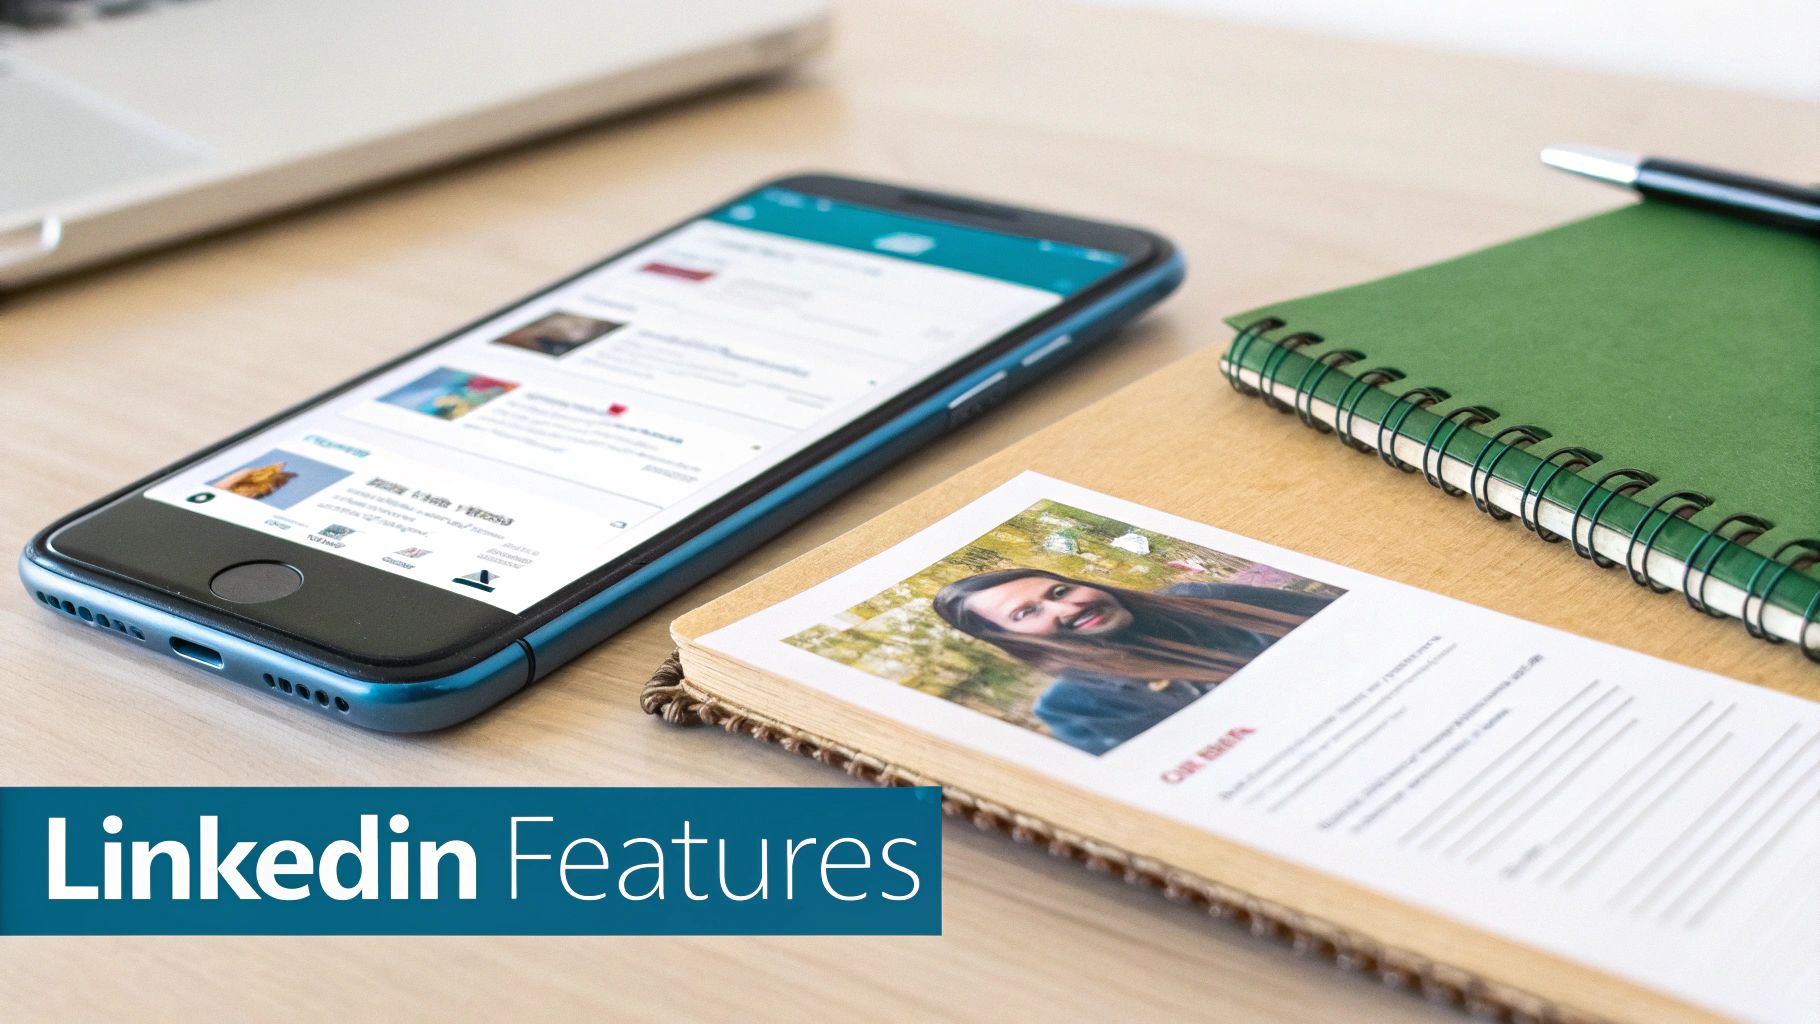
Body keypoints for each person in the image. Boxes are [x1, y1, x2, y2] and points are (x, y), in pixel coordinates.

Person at [932, 568, 1337, 754]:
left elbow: (1351, 616)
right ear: (1010, 640)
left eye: (1058, 591)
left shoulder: (1200, 599)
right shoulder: (1080, 707)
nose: (1069, 606)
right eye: (1026, 614)